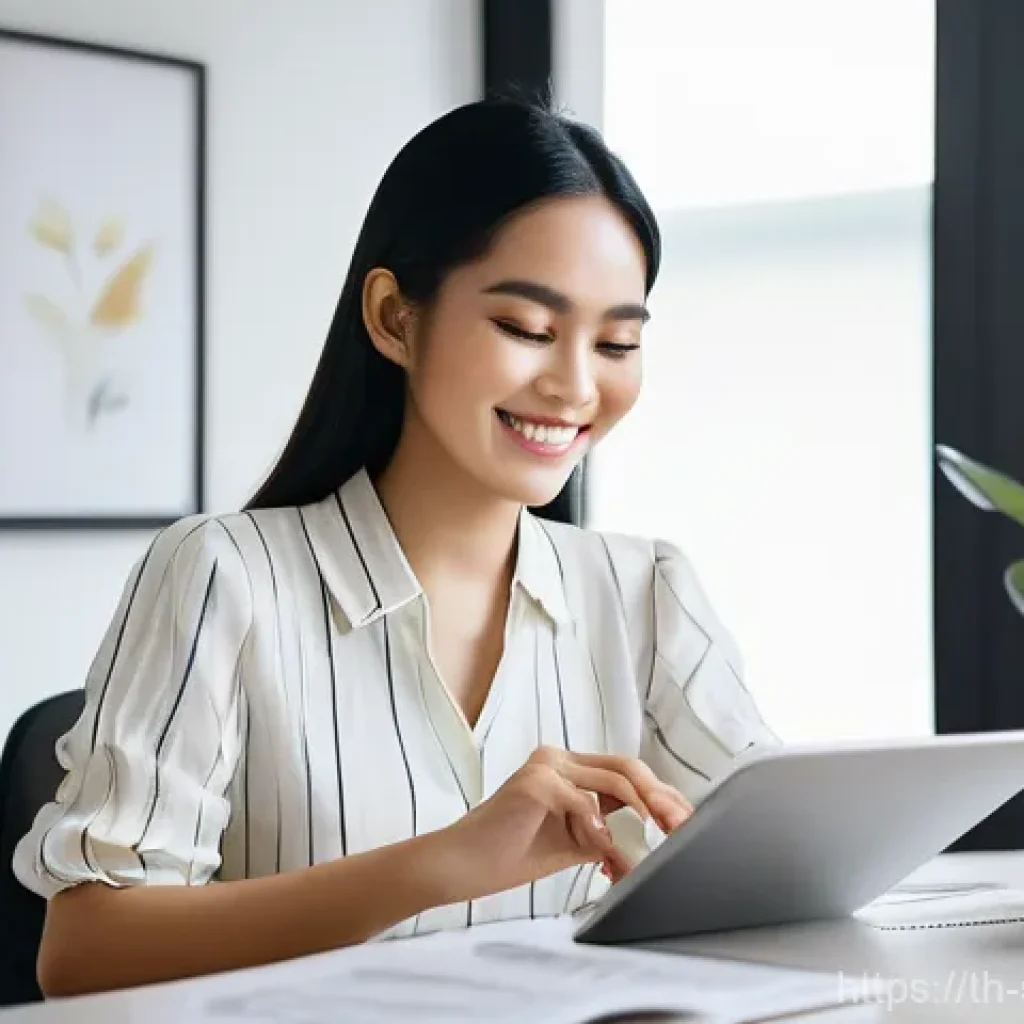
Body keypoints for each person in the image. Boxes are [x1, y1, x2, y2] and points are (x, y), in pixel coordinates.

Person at [14, 98, 780, 998]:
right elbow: (82, 954)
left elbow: (791, 859)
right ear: (393, 317)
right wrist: (447, 862)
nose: (576, 385)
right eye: (527, 330)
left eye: (615, 342)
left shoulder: (646, 592)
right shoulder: (224, 576)